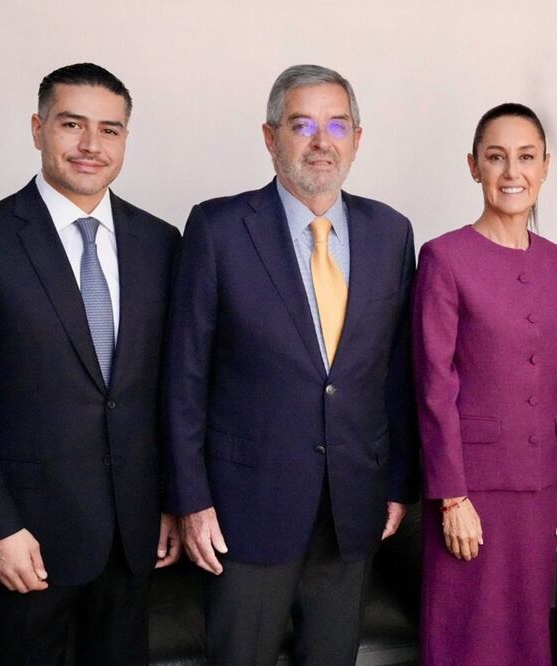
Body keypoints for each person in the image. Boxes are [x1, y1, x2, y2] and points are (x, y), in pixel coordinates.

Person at [0, 63, 181, 664]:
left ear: (125, 139)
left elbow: (168, 389)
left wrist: (170, 501)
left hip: (134, 534)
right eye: (71, 124)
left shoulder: (161, 243)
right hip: (27, 539)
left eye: (109, 130)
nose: (91, 144)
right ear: (38, 129)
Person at [164, 64, 419, 665]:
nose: (321, 141)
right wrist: (190, 500)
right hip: (245, 507)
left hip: (352, 503)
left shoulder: (390, 232)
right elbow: (184, 379)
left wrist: (397, 483)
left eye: (337, 125)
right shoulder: (218, 228)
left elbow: (397, 372)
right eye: (302, 125)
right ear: (270, 136)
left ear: (358, 137)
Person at [413, 102, 557, 666]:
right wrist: (452, 499)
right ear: (474, 167)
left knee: (528, 639)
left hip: (543, 491)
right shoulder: (444, 258)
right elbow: (433, 387)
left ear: (545, 166)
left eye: (526, 157)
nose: (512, 172)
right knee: (467, 638)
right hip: (473, 491)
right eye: (496, 157)